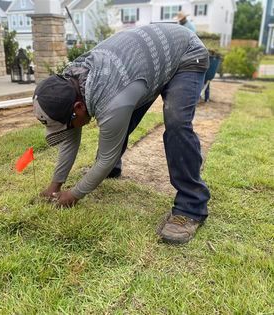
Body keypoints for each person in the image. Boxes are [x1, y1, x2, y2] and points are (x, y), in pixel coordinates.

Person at [33, 23, 210, 244]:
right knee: (118, 118)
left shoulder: (112, 98)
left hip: (186, 53)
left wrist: (74, 194)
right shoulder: (70, 82)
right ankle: (110, 172)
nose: (68, 128)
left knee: (176, 122)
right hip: (142, 67)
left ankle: (191, 206)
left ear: (78, 107)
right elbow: (70, 137)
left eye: (68, 122)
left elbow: (105, 157)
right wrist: (55, 186)